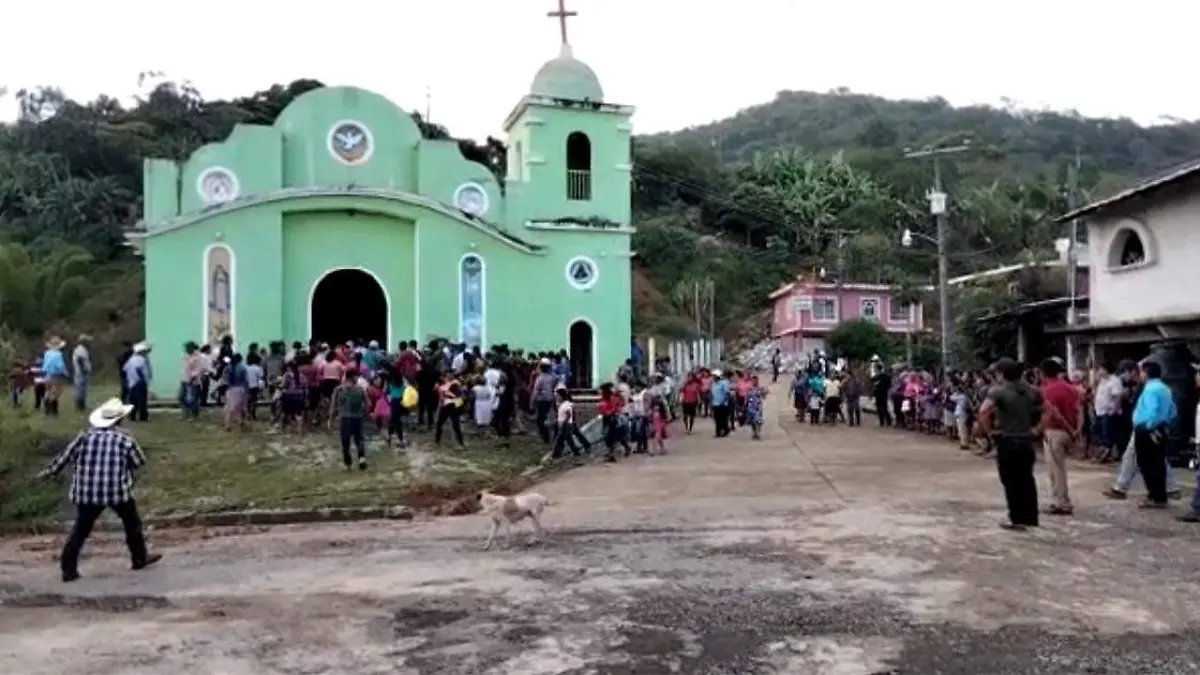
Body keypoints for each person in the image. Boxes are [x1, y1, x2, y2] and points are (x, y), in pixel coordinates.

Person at [36, 397, 163, 582]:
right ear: (119, 420)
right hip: (117, 491)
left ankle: (68, 568)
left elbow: (63, 459)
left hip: (86, 492)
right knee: (132, 523)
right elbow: (138, 462)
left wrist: (48, 472)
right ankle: (139, 558)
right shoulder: (125, 440)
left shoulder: (83, 437)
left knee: (81, 529)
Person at [975, 357, 1043, 531]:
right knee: (1027, 479)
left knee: (1010, 480)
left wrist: (990, 434)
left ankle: (1016, 518)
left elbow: (983, 412)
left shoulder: (997, 392)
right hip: (1027, 440)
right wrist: (1037, 429)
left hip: (1008, 439)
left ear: (1001, 374)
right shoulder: (1032, 390)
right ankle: (1030, 517)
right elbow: (1048, 410)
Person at [1130, 359, 1177, 509]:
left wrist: (1149, 426)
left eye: (1142, 372)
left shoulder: (1150, 389)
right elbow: (1173, 411)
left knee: (1146, 463)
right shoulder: (1165, 388)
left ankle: (1154, 495)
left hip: (1147, 429)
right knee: (1158, 462)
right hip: (1162, 428)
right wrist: (1164, 424)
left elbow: (1152, 410)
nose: (1141, 375)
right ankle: (1160, 495)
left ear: (1147, 373)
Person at [1040, 357, 1081, 516]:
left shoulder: (1046, 390)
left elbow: (1053, 414)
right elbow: (1080, 410)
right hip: (1068, 433)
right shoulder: (1071, 388)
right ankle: (1059, 500)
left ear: (1044, 373)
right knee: (1058, 468)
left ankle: (1062, 502)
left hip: (1054, 431)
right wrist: (1077, 431)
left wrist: (1069, 428)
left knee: (1056, 470)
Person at [330, 367, 369, 470]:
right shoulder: (360, 390)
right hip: (357, 418)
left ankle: (348, 464)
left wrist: (330, 420)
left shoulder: (338, 390)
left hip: (345, 418)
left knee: (345, 442)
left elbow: (333, 407)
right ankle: (361, 459)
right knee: (359, 440)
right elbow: (367, 404)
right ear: (353, 377)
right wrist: (366, 414)